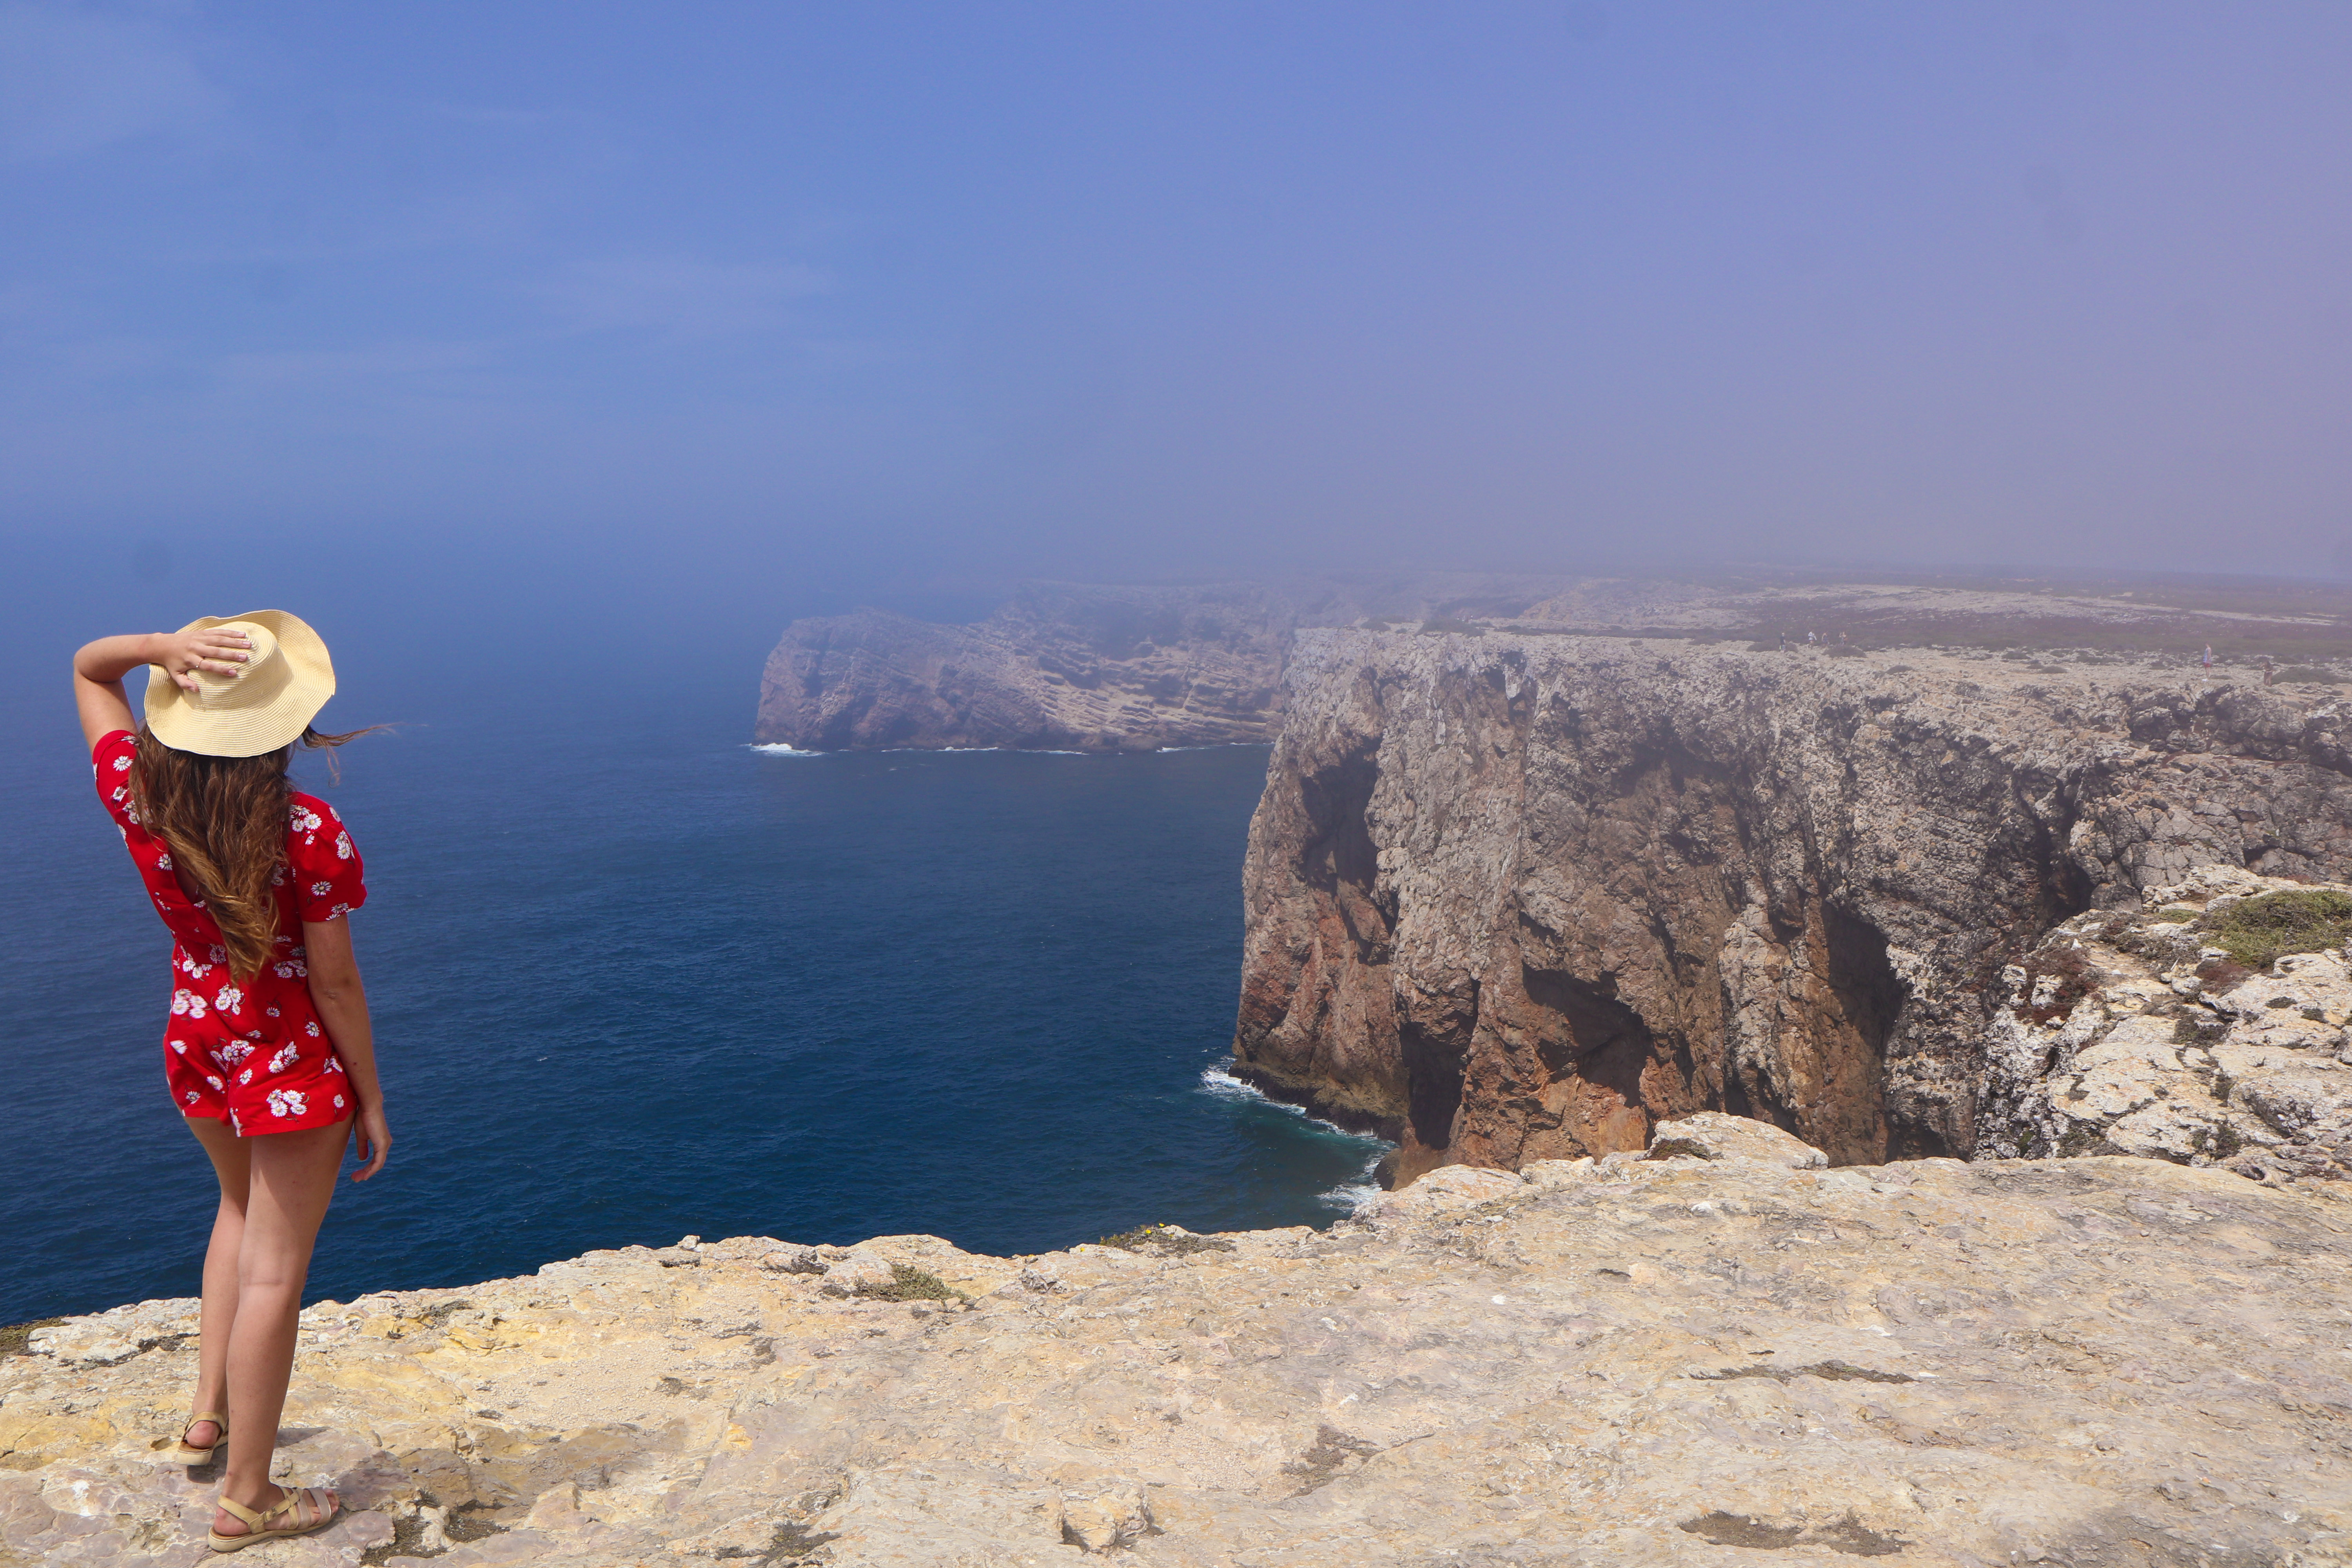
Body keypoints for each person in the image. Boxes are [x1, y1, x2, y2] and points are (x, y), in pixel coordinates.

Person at [71, 613, 388, 1553]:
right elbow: (332, 980)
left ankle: (208, 1414)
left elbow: (90, 674)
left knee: (236, 1209)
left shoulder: (137, 791)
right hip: (289, 1065)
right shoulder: (306, 829)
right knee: (276, 1273)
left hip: (199, 1037)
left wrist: (157, 644)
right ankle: (249, 1496)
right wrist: (368, 1094)